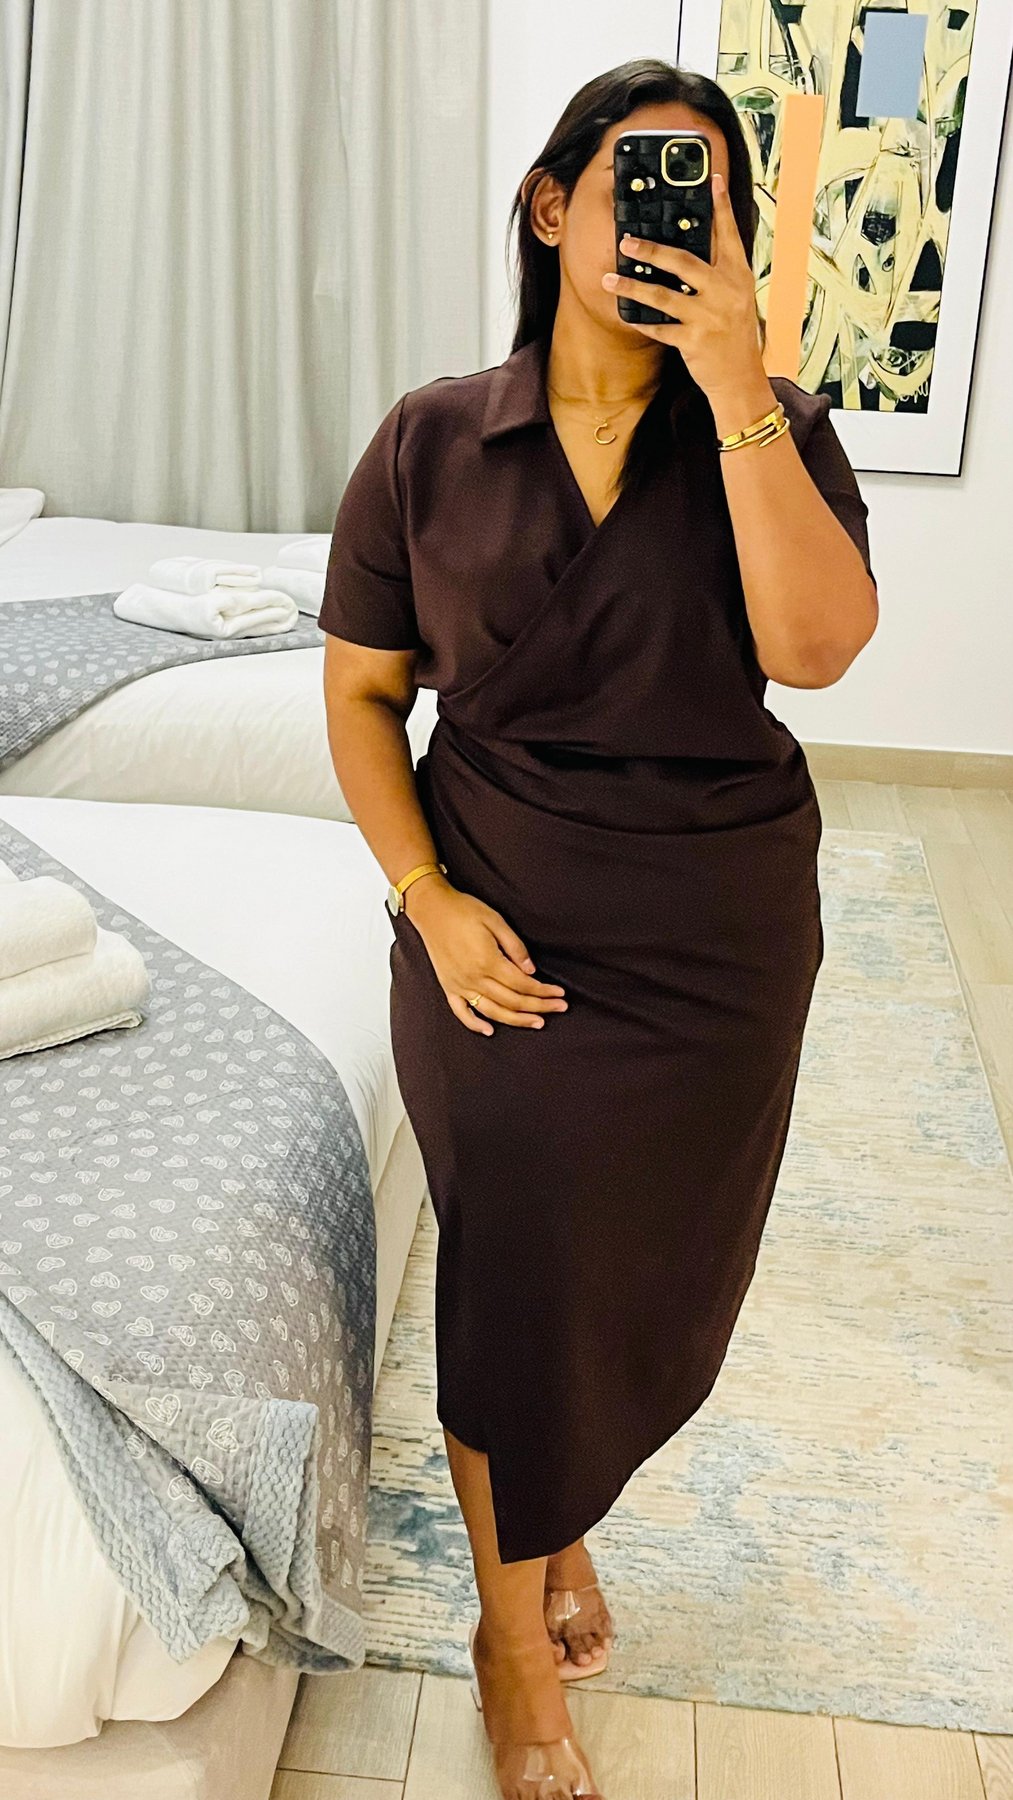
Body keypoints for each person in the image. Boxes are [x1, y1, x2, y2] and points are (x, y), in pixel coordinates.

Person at [317, 57, 878, 1800]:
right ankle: (508, 1636)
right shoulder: (429, 439)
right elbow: (360, 699)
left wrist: (738, 380)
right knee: (516, 1270)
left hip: (715, 935)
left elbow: (812, 652)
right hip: (494, 915)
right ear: (553, 205)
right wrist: (425, 898)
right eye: (636, 176)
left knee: (639, 1277)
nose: (663, 216)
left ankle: (561, 1522)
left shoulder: (773, 427)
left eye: (700, 192)